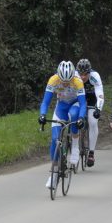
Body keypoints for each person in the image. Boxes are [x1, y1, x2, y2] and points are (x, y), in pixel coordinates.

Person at [38, 61, 87, 189]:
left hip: (75, 105)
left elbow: (83, 104)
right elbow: (45, 102)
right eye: (63, 81)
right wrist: (42, 115)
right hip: (61, 107)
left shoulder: (78, 81)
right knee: (55, 139)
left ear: (72, 77)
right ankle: (54, 175)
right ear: (58, 76)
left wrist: (81, 118)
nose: (65, 84)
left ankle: (75, 147)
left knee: (74, 115)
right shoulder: (53, 80)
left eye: (68, 81)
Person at [75, 59, 104, 167]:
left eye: (85, 74)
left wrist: (98, 109)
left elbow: (100, 94)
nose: (83, 77)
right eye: (81, 74)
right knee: (74, 117)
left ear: (89, 72)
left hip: (92, 99)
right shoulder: (75, 76)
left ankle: (91, 152)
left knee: (92, 122)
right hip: (78, 98)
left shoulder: (94, 76)